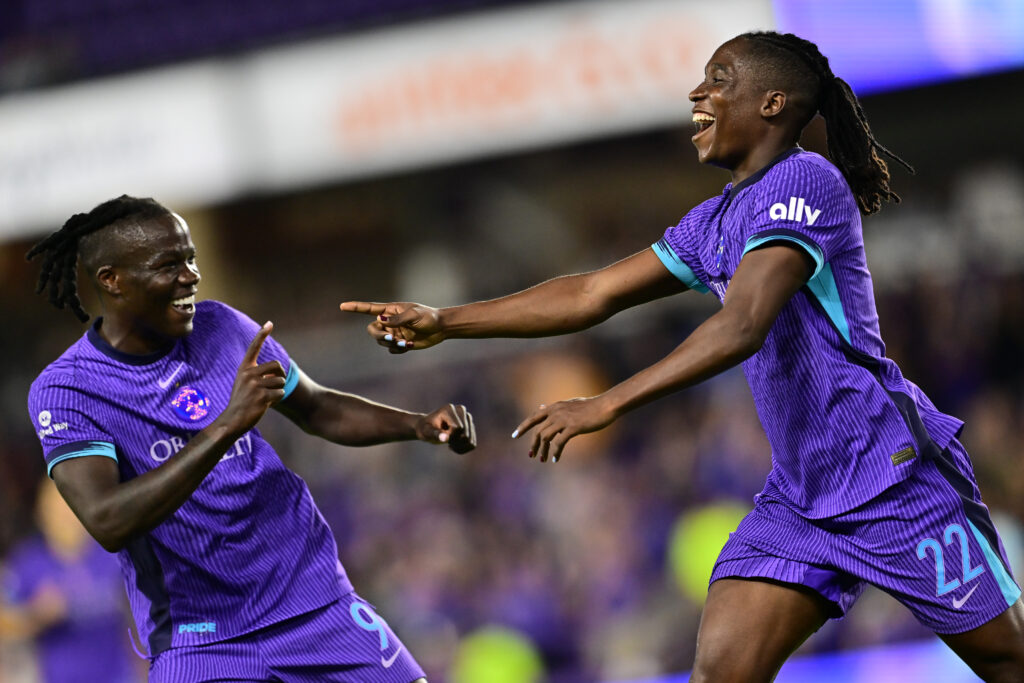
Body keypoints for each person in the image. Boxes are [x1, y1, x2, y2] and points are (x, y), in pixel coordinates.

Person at [341, 31, 1024, 682]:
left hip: (894, 480)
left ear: (772, 104)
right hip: (801, 503)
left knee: (1007, 661)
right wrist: (446, 321)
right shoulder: (714, 221)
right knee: (721, 672)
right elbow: (591, 292)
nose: (698, 95)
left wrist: (607, 401)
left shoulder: (807, 183)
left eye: (718, 81)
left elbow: (743, 325)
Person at [26, 195, 476, 683]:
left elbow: (318, 408)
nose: (191, 276)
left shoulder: (223, 326)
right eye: (169, 264)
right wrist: (225, 425)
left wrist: (416, 425)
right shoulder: (68, 389)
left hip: (316, 604)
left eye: (191, 258)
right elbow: (107, 519)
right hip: (200, 640)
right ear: (111, 280)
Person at [1, 477, 138, 683]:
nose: (67, 517)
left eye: (71, 509)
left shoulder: (112, 555)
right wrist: (36, 615)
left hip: (118, 677)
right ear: (42, 513)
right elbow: (5, 622)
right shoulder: (28, 562)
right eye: (58, 509)